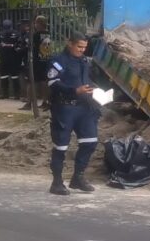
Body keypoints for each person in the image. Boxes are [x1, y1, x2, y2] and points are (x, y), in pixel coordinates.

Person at [46, 32, 99, 196]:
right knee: (61, 146)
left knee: (90, 141)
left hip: (85, 108)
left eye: (84, 47)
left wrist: (94, 90)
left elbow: (85, 81)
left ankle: (78, 178)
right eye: (79, 47)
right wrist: (74, 90)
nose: (82, 50)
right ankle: (57, 182)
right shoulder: (58, 60)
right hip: (65, 108)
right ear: (69, 43)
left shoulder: (84, 61)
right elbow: (52, 82)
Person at [22, 16, 52, 111]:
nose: (35, 25)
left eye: (35, 23)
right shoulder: (48, 34)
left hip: (35, 61)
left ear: (39, 24)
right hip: (45, 60)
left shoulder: (35, 35)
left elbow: (29, 47)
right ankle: (45, 101)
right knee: (44, 82)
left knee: (31, 82)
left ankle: (28, 103)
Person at [0, 20, 23, 100]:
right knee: (6, 76)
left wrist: (10, 45)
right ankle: (8, 94)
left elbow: (20, 44)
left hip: (11, 58)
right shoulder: (1, 34)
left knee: (12, 76)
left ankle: (14, 94)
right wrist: (5, 45)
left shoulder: (14, 34)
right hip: (8, 58)